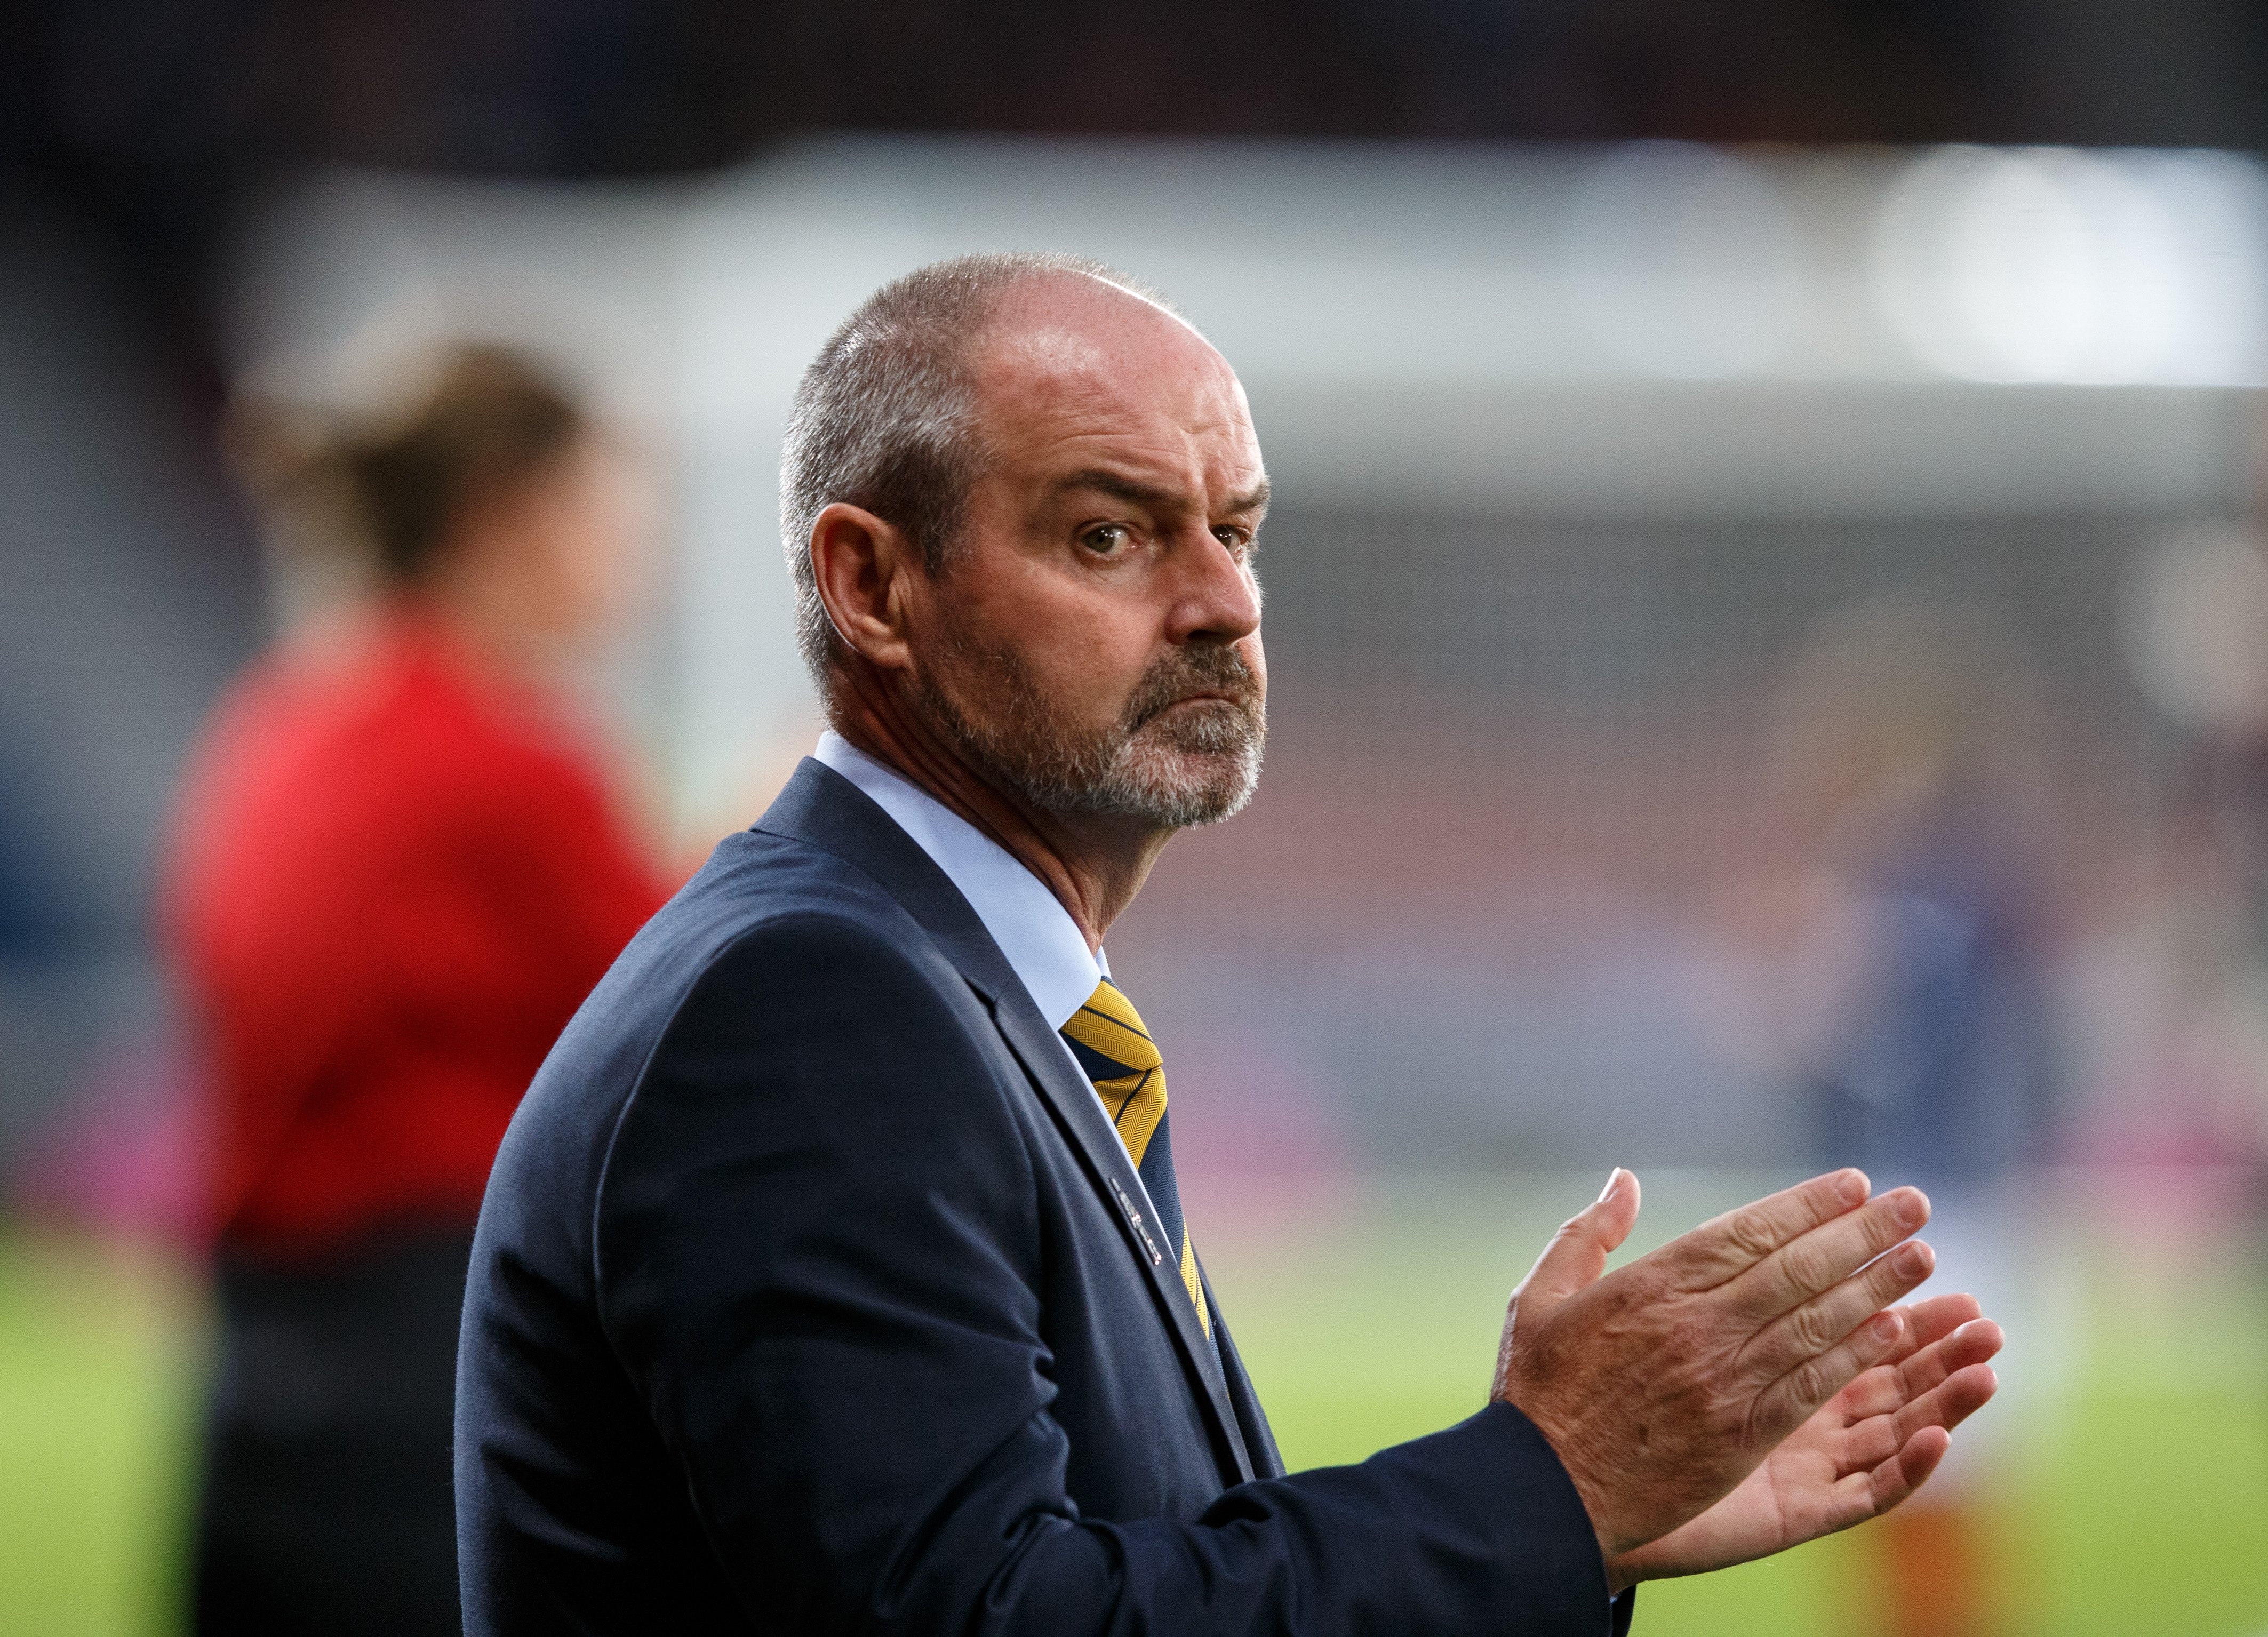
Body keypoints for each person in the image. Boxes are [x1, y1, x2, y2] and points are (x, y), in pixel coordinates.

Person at [455, 255, 2003, 1634]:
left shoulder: (966, 985)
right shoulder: (807, 1005)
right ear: (872, 584)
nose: (1220, 603)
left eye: (1236, 530)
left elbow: (1130, 1561)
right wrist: (1541, 1486)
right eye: (1111, 533)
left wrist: (1564, 1530)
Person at [167, 346, 670, 1635]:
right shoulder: (507, 770)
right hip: (433, 1393)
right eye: (605, 499)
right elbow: (693, 1022)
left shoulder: (278, 731)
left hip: (254, 1388)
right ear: (507, 510)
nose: (636, 544)